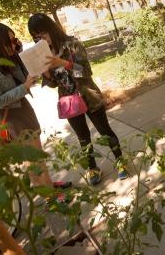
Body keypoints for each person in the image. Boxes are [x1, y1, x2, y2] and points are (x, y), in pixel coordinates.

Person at [27, 13, 126, 185]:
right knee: (83, 138)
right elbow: (53, 84)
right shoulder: (44, 53)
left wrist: (63, 63)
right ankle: (92, 168)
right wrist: (46, 73)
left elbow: (86, 71)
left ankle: (120, 162)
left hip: (88, 95)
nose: (40, 40)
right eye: (36, 38)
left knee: (105, 131)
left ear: (51, 30)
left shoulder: (71, 44)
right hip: (69, 101)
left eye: (43, 35)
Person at [0, 23, 71, 193]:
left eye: (16, 40)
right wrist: (24, 87)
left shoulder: (10, 57)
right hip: (11, 117)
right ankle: (46, 194)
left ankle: (49, 186)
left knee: (38, 153)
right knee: (30, 159)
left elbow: (23, 76)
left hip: (24, 109)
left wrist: (21, 55)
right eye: (11, 41)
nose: (14, 44)